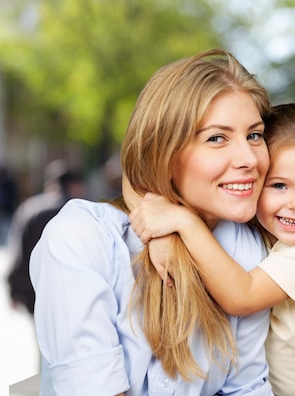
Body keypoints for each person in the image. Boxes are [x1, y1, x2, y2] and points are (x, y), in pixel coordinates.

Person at [29, 49, 275, 396]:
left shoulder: (244, 248)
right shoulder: (82, 238)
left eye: (254, 135)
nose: (249, 158)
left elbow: (246, 388)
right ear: (164, 152)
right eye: (216, 138)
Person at [130, 103, 295, 396]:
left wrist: (183, 222)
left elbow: (242, 296)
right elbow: (134, 177)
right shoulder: (250, 220)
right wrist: (158, 233)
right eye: (279, 185)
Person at [7, 159, 85, 314]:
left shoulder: (30, 209)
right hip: (73, 292)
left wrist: (14, 289)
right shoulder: (81, 210)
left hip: (36, 291)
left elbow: (18, 253)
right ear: (74, 185)